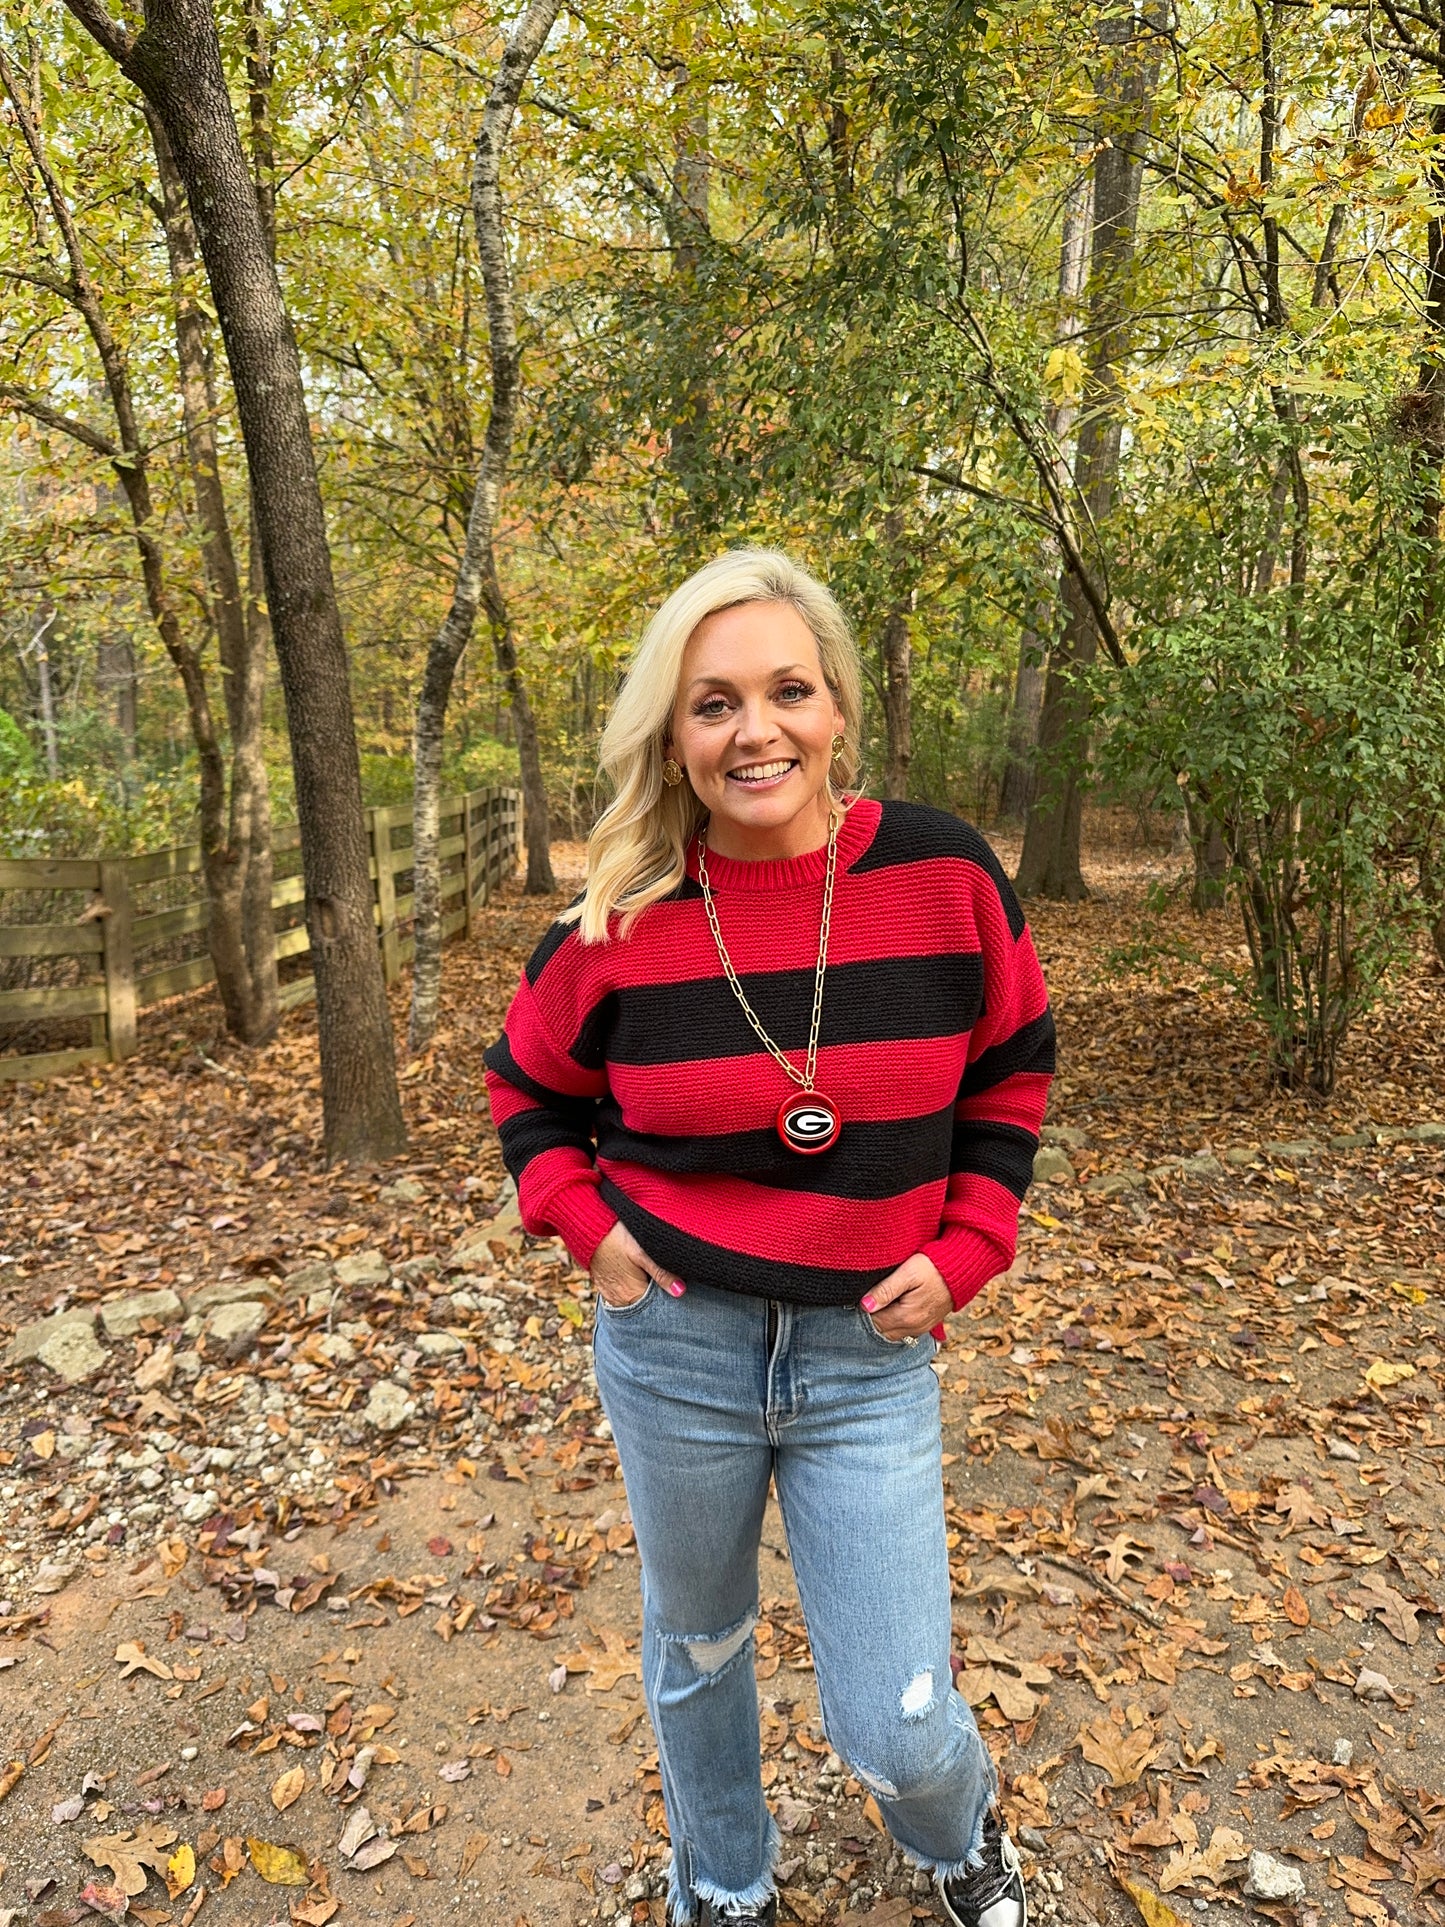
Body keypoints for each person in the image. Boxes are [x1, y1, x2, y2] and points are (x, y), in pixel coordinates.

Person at [484, 550, 1054, 1927]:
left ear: (837, 709)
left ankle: (953, 1827)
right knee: (699, 1644)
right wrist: (579, 1222)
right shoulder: (617, 919)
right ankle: (723, 1880)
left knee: (903, 1718)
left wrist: (974, 1236)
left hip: (864, 1358)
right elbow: (528, 1088)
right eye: (712, 703)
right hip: (675, 1348)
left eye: (786, 692)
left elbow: (1011, 1066)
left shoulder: (939, 873)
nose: (755, 732)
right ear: (671, 738)